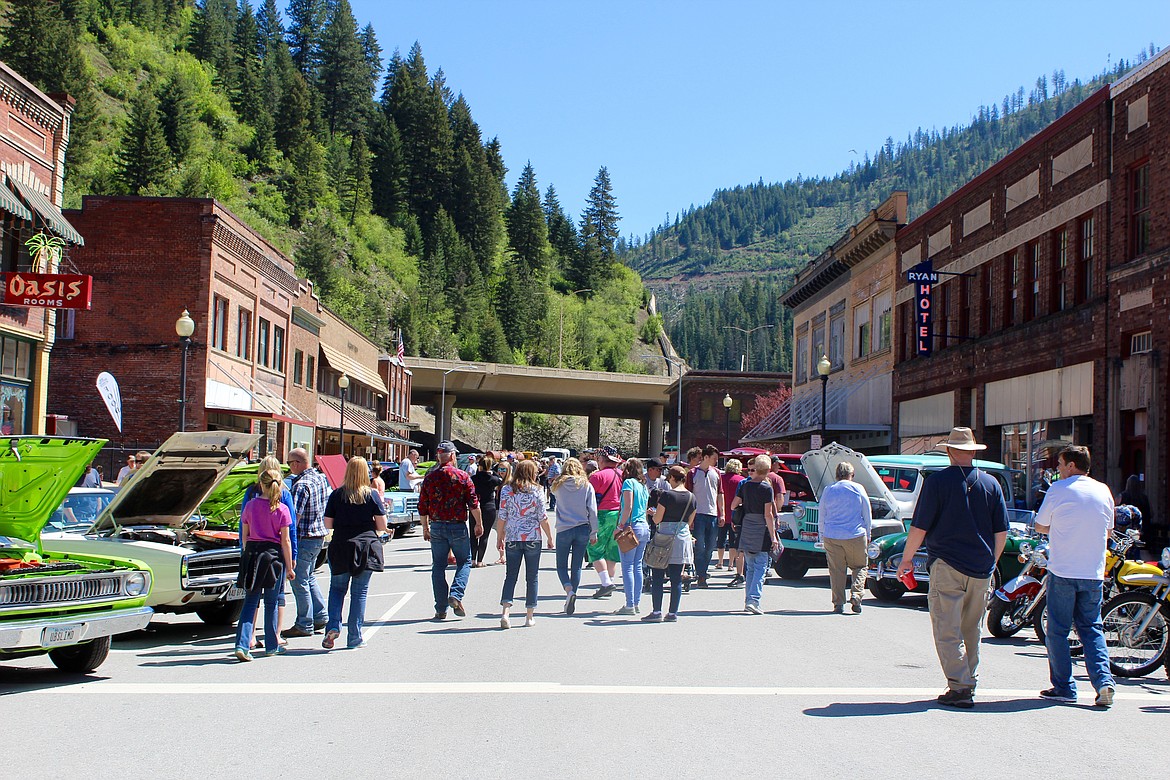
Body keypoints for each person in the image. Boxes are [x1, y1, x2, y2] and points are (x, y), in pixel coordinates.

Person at [896, 427, 1008, 709]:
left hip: (946, 562)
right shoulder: (991, 484)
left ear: (948, 451)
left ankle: (960, 686)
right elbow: (1001, 532)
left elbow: (919, 526)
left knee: (947, 628)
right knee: (972, 628)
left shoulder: (937, 483)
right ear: (973, 452)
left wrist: (906, 559)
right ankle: (968, 679)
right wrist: (992, 562)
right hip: (982, 567)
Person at [1034, 445, 1117, 708]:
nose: (1057, 469)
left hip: (1063, 569)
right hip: (1093, 571)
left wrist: (1057, 527)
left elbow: (1039, 525)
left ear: (1071, 465)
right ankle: (1104, 682)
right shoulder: (1103, 490)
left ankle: (1064, 687)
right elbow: (1108, 531)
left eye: (1059, 464)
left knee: (1057, 630)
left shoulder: (1059, 489)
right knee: (1092, 628)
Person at [322, 456, 386, 650]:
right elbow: (382, 525)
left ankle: (333, 625)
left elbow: (328, 524)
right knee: (359, 593)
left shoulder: (337, 494)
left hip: (341, 545)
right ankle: (354, 636)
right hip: (366, 546)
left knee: (337, 589)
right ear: (364, 472)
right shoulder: (372, 495)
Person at [233, 468, 295, 661]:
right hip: (273, 556)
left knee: (250, 602)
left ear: (261, 484)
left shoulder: (250, 506)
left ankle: (242, 645)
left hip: (253, 553)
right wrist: (290, 566)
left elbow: (244, 535)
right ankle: (271, 645)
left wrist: (247, 553)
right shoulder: (282, 509)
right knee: (271, 602)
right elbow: (285, 540)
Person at [419, 440, 482, 621]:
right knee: (464, 561)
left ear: (439, 456)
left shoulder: (430, 478)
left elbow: (423, 505)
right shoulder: (462, 476)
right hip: (457, 525)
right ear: (453, 456)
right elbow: (473, 503)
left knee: (438, 566)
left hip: (437, 525)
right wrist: (479, 523)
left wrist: (425, 527)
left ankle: (440, 608)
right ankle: (456, 593)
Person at [496, 459, 553, 628]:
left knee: (511, 576)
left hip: (513, 536)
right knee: (532, 577)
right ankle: (529, 616)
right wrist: (550, 537)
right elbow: (543, 517)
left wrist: (500, 536)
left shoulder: (507, 490)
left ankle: (506, 612)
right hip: (532, 537)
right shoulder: (537, 490)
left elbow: (502, 516)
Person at [282, 448, 330, 638]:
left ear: (296, 463)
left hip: (304, 537)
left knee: (299, 580)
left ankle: (304, 623)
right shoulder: (319, 478)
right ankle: (319, 615)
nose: (289, 467)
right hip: (318, 536)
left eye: (289, 463)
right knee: (308, 577)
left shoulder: (301, 485)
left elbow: (295, 517)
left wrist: (286, 541)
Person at [644, 465, 696, 622]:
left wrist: (653, 515)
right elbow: (690, 521)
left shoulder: (667, 495)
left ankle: (656, 611)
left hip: (664, 538)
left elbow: (657, 519)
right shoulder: (692, 497)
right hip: (682, 538)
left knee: (658, 576)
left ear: (673, 478)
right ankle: (673, 613)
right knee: (676, 578)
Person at [819, 461, 871, 614]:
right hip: (855, 533)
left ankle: (838, 603)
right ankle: (856, 594)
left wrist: (822, 534)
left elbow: (822, 513)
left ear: (836, 475)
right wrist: (868, 532)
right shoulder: (858, 488)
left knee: (836, 571)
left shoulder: (829, 489)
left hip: (832, 534)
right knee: (860, 566)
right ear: (851, 475)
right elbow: (866, 512)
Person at [729, 456, 778, 614]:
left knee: (750, 566)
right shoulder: (766, 488)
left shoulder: (745, 485)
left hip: (747, 524)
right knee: (761, 565)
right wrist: (774, 537)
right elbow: (768, 514)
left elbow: (733, 505)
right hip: (760, 526)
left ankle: (748, 600)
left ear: (755, 469)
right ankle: (754, 600)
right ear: (768, 470)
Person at [551, 457, 598, 615]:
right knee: (576, 565)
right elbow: (592, 510)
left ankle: (568, 589)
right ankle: (574, 592)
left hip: (564, 528)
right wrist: (594, 531)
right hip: (582, 527)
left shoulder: (558, 485)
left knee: (561, 565)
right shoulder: (586, 485)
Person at [587, 445, 625, 598]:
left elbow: (589, 500)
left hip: (602, 514)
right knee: (612, 550)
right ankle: (610, 580)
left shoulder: (597, 477)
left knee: (594, 548)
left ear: (602, 459)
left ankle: (606, 583)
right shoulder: (622, 475)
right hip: (618, 515)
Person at [614, 457, 650, 615]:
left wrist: (619, 526)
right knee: (637, 566)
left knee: (627, 566)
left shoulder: (628, 483)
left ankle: (629, 604)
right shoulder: (643, 486)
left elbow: (627, 507)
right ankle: (636, 603)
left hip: (631, 527)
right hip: (643, 526)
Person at [684, 445, 723, 588]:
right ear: (706, 457)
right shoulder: (693, 473)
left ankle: (703, 571)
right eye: (714, 458)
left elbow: (720, 494)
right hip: (698, 514)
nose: (716, 461)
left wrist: (722, 513)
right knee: (699, 546)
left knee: (710, 546)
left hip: (712, 514)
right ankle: (701, 575)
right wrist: (690, 518)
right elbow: (688, 495)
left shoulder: (717, 473)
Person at [470, 454, 504, 567]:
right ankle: (480, 561)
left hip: (475, 507)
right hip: (489, 507)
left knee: (473, 534)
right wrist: (491, 472)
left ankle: (472, 560)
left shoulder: (474, 478)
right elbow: (500, 480)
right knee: (485, 535)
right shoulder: (493, 479)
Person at [717, 459, 746, 571]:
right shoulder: (741, 480)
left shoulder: (721, 479)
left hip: (722, 512)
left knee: (721, 538)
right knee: (733, 539)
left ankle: (719, 562)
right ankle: (730, 564)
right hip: (736, 514)